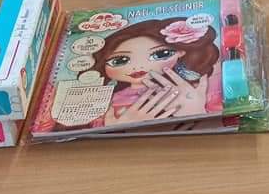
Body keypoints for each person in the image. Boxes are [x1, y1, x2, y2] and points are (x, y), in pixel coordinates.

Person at [89, 18, 222, 126]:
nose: (138, 67)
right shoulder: (109, 99)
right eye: (120, 60)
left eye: (160, 54)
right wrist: (116, 126)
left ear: (181, 52)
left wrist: (196, 111)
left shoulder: (192, 89)